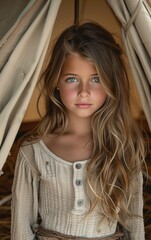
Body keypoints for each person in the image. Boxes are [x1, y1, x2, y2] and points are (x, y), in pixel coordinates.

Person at [11, 21, 145, 240]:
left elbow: (135, 226)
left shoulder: (124, 147)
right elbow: (20, 230)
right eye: (72, 79)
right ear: (56, 81)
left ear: (112, 82)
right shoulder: (34, 151)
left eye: (96, 79)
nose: (84, 92)